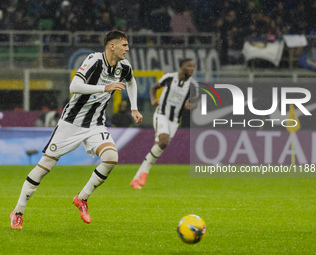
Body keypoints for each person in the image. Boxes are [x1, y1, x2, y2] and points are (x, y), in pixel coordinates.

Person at [10, 29, 143, 229]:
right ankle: (18, 211)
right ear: (111, 46)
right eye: (124, 45)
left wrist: (134, 107)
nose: (127, 49)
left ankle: (82, 198)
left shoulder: (123, 67)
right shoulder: (94, 61)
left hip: (95, 123)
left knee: (111, 158)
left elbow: (131, 82)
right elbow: (74, 86)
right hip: (71, 122)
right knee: (44, 167)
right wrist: (104, 88)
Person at [130, 58, 198, 189]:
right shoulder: (170, 78)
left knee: (159, 147)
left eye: (193, 67)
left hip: (174, 121)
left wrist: (191, 104)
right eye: (189, 66)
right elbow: (154, 87)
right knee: (163, 141)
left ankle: (137, 178)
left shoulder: (192, 85)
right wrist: (153, 99)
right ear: (181, 66)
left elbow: (196, 100)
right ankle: (144, 173)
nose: (191, 69)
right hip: (161, 114)